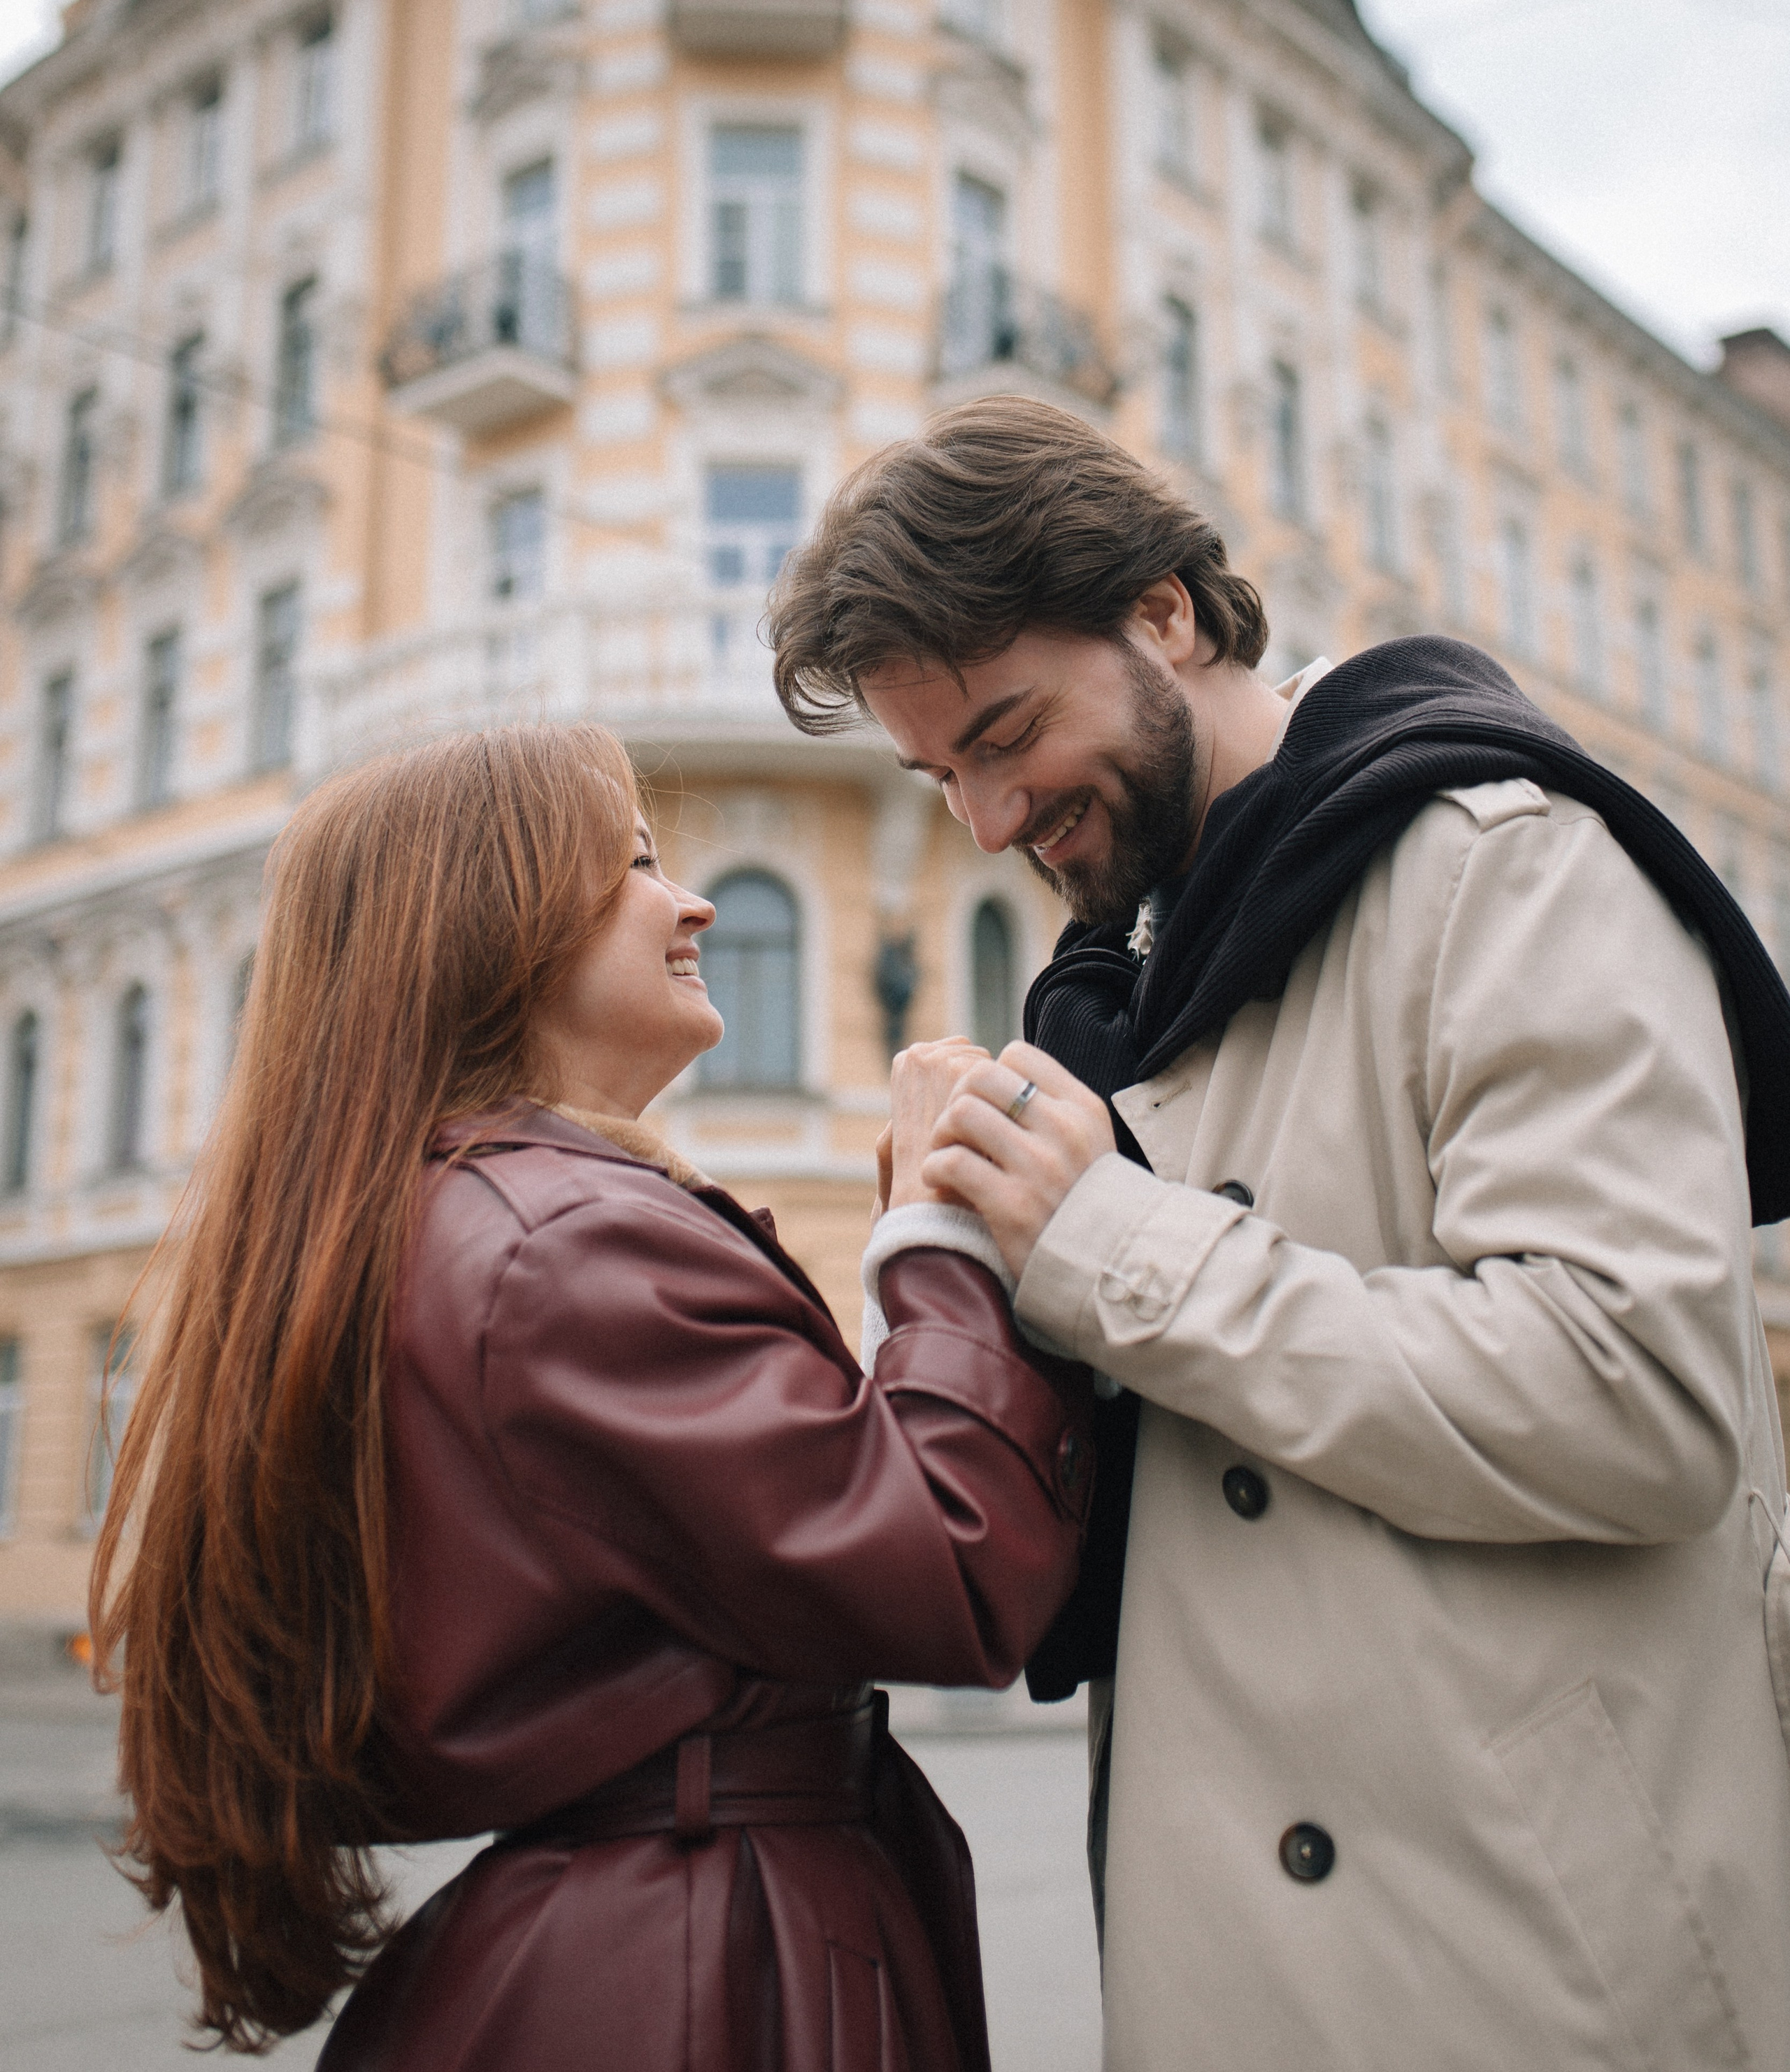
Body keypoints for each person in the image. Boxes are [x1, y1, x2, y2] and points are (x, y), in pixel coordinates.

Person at [768, 395, 1790, 2068]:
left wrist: (1108, 1244)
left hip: (1526, 1984)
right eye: (940, 774)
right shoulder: (1121, 995)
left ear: (1163, 612)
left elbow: (1638, 1395)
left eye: (1006, 733)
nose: (988, 821)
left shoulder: (1502, 863)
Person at [90, 722, 1091, 2071]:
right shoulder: (560, 1242)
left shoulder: (487, 1220)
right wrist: (942, 1230)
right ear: (495, 923)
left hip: (652, 1940)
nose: (694, 904)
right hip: (705, 1975)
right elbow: (952, 1571)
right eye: (634, 865)